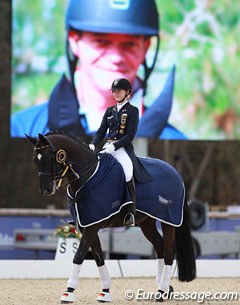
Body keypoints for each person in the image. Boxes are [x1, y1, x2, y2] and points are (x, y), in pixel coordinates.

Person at [11, 0, 187, 140]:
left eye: (130, 44)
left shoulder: (175, 142)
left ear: (146, 48)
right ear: (74, 41)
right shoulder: (21, 129)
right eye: (101, 42)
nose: (116, 57)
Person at [89, 78, 138, 227]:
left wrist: (115, 146)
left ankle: (130, 211)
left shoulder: (132, 111)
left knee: (128, 172)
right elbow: (101, 131)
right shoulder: (109, 111)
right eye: (114, 91)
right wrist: (93, 144)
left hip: (122, 148)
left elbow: (130, 136)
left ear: (127, 92)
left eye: (119, 91)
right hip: (107, 148)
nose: (116, 94)